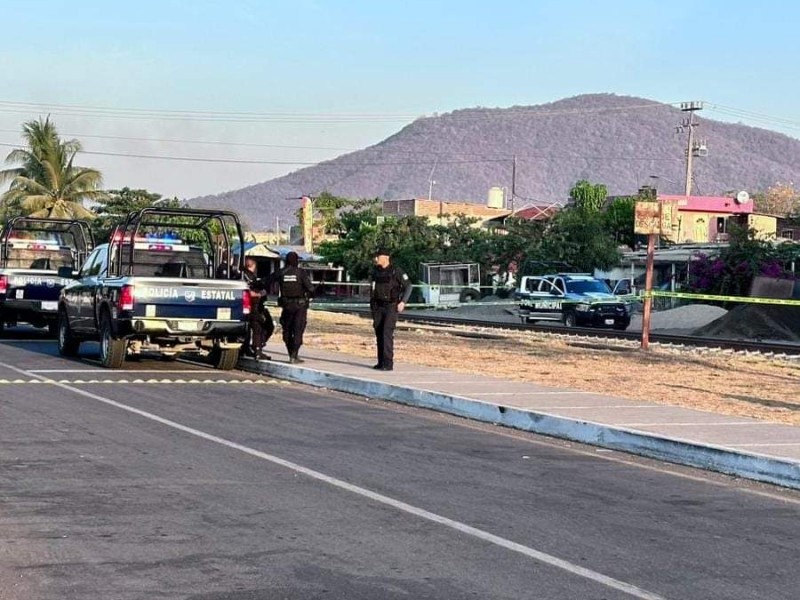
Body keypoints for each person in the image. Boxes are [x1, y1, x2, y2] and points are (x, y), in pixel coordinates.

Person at [369, 247, 412, 371]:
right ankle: (380, 361)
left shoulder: (396, 271)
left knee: (386, 333)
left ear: (385, 257)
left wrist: (403, 302)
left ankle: (388, 363)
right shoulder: (375, 271)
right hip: (378, 306)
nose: (376, 258)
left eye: (378, 256)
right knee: (378, 332)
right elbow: (372, 288)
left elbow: (409, 286)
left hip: (390, 306)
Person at [276, 251, 316, 363]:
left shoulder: (281, 272)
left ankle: (291, 354)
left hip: (287, 306)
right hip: (300, 306)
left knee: (287, 330)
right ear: (296, 261)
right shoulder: (301, 273)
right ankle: (294, 355)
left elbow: (267, 281)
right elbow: (311, 289)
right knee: (298, 330)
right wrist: (312, 295)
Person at [242, 257, 274, 360]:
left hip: (251, 306)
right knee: (259, 327)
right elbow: (247, 291)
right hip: (253, 306)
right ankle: (257, 349)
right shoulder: (247, 276)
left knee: (255, 328)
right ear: (253, 266)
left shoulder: (244, 275)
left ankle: (251, 348)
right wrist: (259, 294)